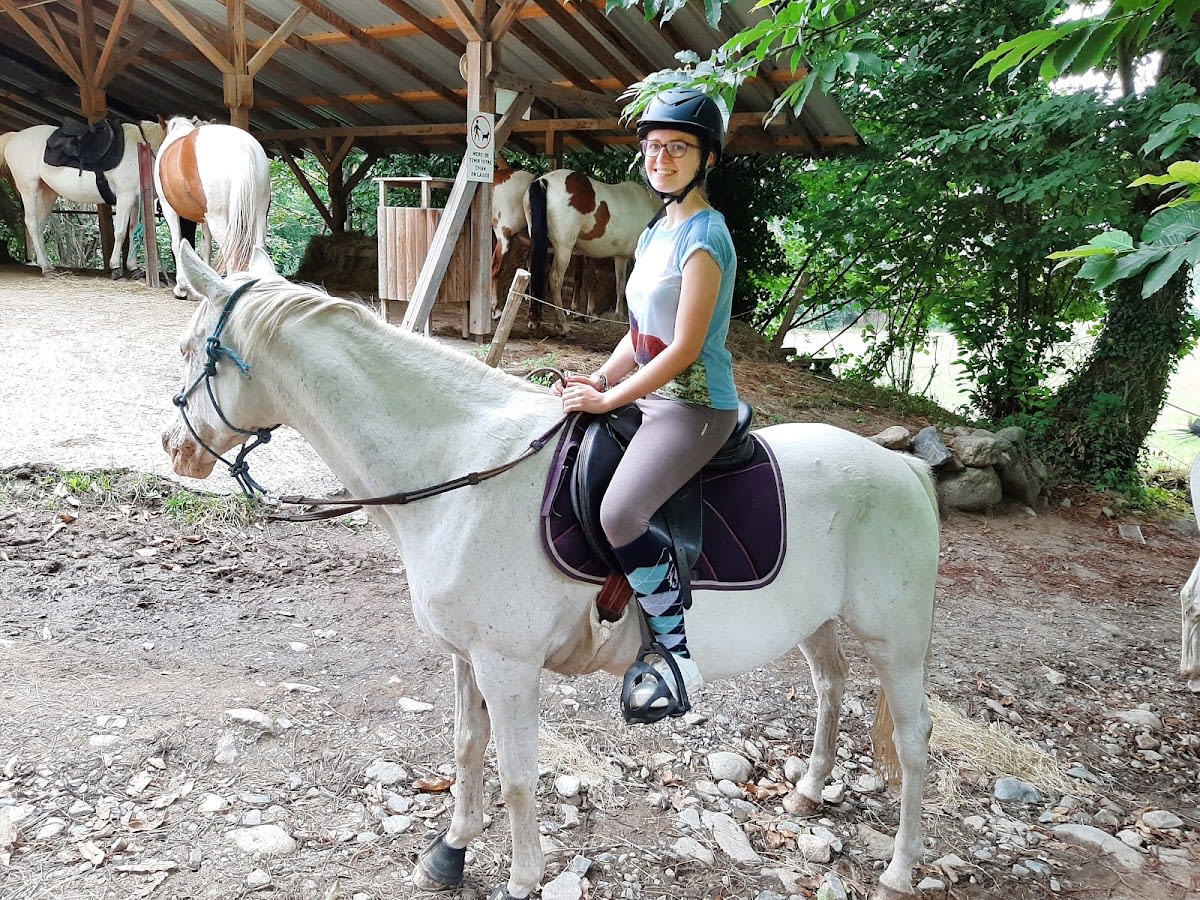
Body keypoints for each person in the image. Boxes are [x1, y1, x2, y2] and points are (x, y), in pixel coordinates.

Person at [556, 87, 739, 716]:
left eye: (677, 148)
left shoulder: (706, 237)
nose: (662, 158)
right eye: (654, 147)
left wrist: (612, 403)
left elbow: (683, 348)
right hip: (647, 392)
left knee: (621, 514)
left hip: (694, 406)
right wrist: (598, 383)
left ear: (705, 159)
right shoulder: (658, 229)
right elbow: (640, 336)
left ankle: (674, 648)